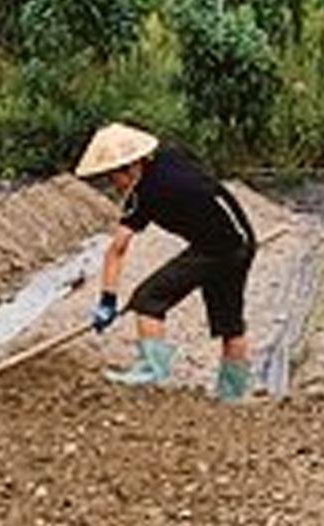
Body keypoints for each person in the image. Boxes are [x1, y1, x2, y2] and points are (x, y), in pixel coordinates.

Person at [74, 122, 257, 400]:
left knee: (148, 299)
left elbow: (117, 249)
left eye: (113, 177)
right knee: (230, 324)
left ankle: (153, 370)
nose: (113, 185)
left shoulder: (145, 194)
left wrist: (107, 302)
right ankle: (232, 396)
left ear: (131, 166)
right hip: (240, 239)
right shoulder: (169, 156)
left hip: (218, 248)